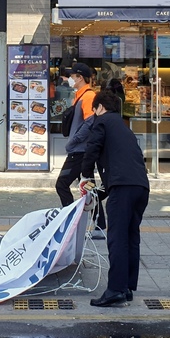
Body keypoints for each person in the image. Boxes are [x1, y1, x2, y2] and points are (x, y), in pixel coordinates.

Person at [80, 89, 150, 307]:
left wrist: (85, 174)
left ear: (100, 107)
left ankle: (115, 290)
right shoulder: (123, 128)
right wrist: (99, 193)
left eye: (95, 110)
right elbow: (123, 167)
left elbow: (92, 147)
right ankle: (127, 287)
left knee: (117, 238)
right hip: (140, 187)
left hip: (124, 188)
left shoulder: (102, 122)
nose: (94, 114)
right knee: (131, 237)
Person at [54, 62, 107, 239]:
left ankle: (71, 223)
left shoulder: (88, 96)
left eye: (73, 76)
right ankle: (99, 225)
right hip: (82, 150)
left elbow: (90, 122)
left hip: (80, 151)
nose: (70, 79)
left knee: (62, 184)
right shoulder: (80, 95)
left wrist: (73, 141)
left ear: (80, 78)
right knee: (88, 187)